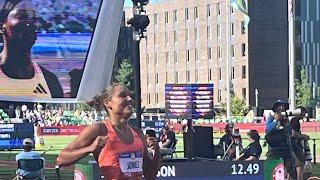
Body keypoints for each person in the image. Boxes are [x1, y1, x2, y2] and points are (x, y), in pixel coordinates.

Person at [56, 84, 160, 179]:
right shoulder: (99, 130)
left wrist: (157, 152)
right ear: (107, 103)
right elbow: (61, 159)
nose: (129, 98)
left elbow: (149, 175)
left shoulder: (138, 133)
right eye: (122, 95)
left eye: (129, 95)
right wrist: (90, 148)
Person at [0, 0, 63, 98]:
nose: (31, 23)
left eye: (34, 18)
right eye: (21, 17)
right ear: (1, 26)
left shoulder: (50, 81)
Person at [290, 106, 310, 180]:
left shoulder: (292, 120)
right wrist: (303, 137)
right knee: (299, 168)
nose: (305, 115)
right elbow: (293, 133)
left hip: (291, 146)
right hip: (295, 147)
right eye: (304, 112)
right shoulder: (295, 120)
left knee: (291, 170)